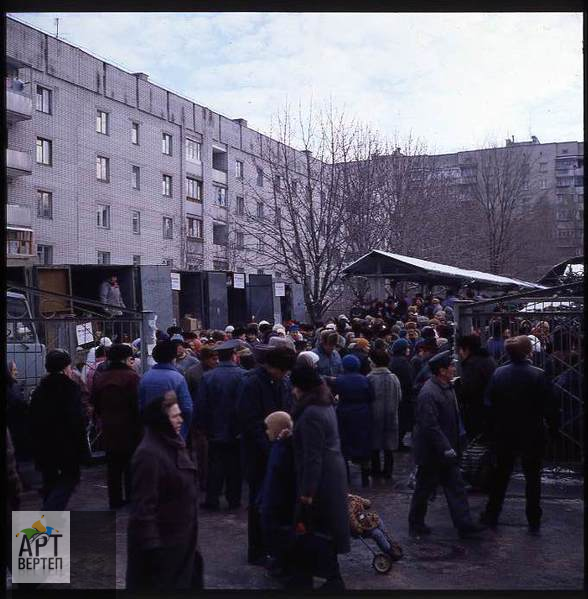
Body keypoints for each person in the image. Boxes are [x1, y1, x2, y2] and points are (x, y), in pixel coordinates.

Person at [480, 336, 559, 533]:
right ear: (528, 352)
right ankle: (533, 518)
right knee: (533, 478)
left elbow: (488, 405)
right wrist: (553, 429)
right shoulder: (538, 375)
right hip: (532, 433)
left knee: (501, 476)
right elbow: (550, 407)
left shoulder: (499, 373)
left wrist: (491, 430)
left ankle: (492, 514)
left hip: (504, 433)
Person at [126, 393, 203, 592]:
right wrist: (152, 548)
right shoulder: (149, 455)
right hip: (164, 549)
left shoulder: (171, 443)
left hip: (181, 543)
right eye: (174, 416)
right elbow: (143, 508)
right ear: (161, 421)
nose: (181, 419)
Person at [408, 351, 486, 539]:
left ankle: (464, 524)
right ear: (441, 371)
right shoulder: (429, 393)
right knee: (424, 488)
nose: (453, 368)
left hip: (445, 450)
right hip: (433, 453)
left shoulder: (445, 387)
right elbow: (430, 426)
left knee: (455, 486)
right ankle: (416, 522)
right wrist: (446, 447)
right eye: (450, 366)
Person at [289, 365, 350, 592]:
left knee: (317, 528)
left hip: (322, 479)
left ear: (301, 387)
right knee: (321, 528)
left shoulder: (312, 412)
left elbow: (313, 457)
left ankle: (331, 579)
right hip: (331, 473)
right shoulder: (323, 403)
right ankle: (317, 575)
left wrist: (307, 493)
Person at [237, 346, 297, 565]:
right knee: (258, 502)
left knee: (275, 502)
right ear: (273, 367)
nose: (285, 375)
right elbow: (249, 422)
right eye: (283, 371)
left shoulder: (280, 381)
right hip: (258, 454)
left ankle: (274, 547)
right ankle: (257, 550)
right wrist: (269, 447)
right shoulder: (251, 383)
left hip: (277, 451)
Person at [29, 349, 88, 510]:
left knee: (50, 482)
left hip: (44, 445)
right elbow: (76, 420)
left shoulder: (40, 390)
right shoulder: (70, 389)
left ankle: (49, 528)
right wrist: (83, 450)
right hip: (67, 446)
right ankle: (47, 514)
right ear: (65, 368)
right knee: (69, 479)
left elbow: (33, 419)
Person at [91, 343, 142, 509]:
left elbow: (95, 403)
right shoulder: (132, 377)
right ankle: (131, 497)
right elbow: (137, 404)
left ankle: (115, 499)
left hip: (108, 427)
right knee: (130, 465)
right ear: (126, 359)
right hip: (130, 428)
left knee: (113, 467)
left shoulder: (101, 377)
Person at [198, 339, 246, 511]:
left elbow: (202, 405)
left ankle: (212, 499)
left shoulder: (208, 376)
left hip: (215, 428)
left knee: (215, 465)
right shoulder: (243, 375)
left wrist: (203, 427)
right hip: (237, 430)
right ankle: (234, 500)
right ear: (233, 356)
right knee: (235, 467)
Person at [257, 411, 297, 579]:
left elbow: (274, 481)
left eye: (268, 429)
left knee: (277, 537)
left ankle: (281, 566)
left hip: (276, 505)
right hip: (277, 504)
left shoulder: (280, 451)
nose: (266, 432)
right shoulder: (283, 448)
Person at [331, 354, 373, 487]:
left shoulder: (339, 380)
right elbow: (371, 396)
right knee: (363, 442)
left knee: (345, 444)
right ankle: (365, 477)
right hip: (362, 414)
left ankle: (346, 479)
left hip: (344, 413)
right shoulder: (365, 380)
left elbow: (334, 395)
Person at [139, 341, 193, 440]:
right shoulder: (178, 378)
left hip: (151, 431)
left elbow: (141, 406)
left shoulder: (145, 377)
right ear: (174, 358)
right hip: (174, 431)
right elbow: (187, 408)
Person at [367, 349, 402, 480]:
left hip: (374, 415)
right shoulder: (394, 378)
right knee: (389, 445)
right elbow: (399, 396)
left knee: (374, 445)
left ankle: (375, 470)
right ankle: (388, 471)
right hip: (391, 415)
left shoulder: (370, 378)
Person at [455, 335, 496, 440]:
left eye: (460, 349)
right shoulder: (487, 359)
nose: (459, 353)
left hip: (477, 412)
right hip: (489, 410)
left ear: (467, 349)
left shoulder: (471, 364)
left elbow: (469, 390)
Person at [348, 494, 402, 560]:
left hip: (361, 520)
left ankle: (390, 544)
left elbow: (368, 504)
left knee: (379, 521)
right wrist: (362, 528)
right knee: (377, 533)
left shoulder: (351, 498)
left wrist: (359, 499)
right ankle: (389, 551)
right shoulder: (346, 506)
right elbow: (352, 522)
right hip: (355, 529)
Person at [388, 339, 415, 451]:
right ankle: (398, 443)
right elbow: (408, 379)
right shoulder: (403, 362)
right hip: (404, 395)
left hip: (398, 394)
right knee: (402, 421)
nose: (409, 349)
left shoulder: (394, 360)